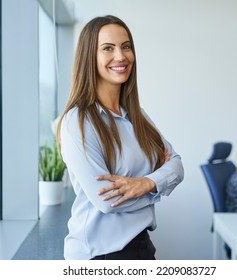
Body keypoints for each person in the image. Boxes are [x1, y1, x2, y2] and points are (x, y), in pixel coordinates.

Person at [56, 15, 184, 260]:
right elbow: (108, 201)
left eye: (126, 46)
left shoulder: (137, 116)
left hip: (142, 246)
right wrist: (159, 182)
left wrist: (144, 183)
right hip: (100, 256)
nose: (121, 56)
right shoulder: (78, 122)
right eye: (108, 48)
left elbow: (177, 165)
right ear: (89, 58)